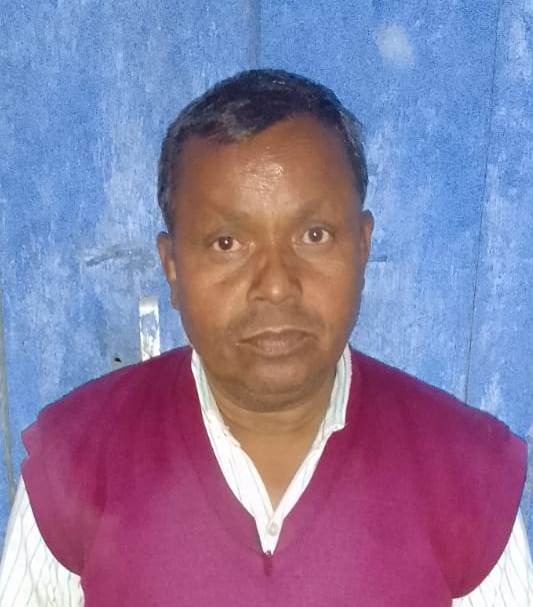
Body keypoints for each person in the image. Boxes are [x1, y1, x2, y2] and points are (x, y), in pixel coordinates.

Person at [0, 69, 531, 606]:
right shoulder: (74, 463)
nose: (276, 285)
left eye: (314, 235)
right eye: (227, 243)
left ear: (362, 248)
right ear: (173, 268)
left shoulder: (467, 475)